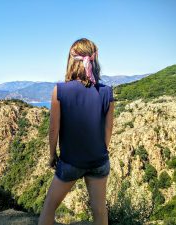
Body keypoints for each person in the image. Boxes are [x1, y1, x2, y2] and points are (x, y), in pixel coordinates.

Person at [38, 38, 115, 225]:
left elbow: (54, 129)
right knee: (99, 212)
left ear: (71, 60)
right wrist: (100, 150)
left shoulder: (59, 91)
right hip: (99, 159)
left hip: (71, 161)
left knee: (49, 208)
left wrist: (51, 155)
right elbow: (108, 128)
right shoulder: (107, 92)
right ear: (94, 60)